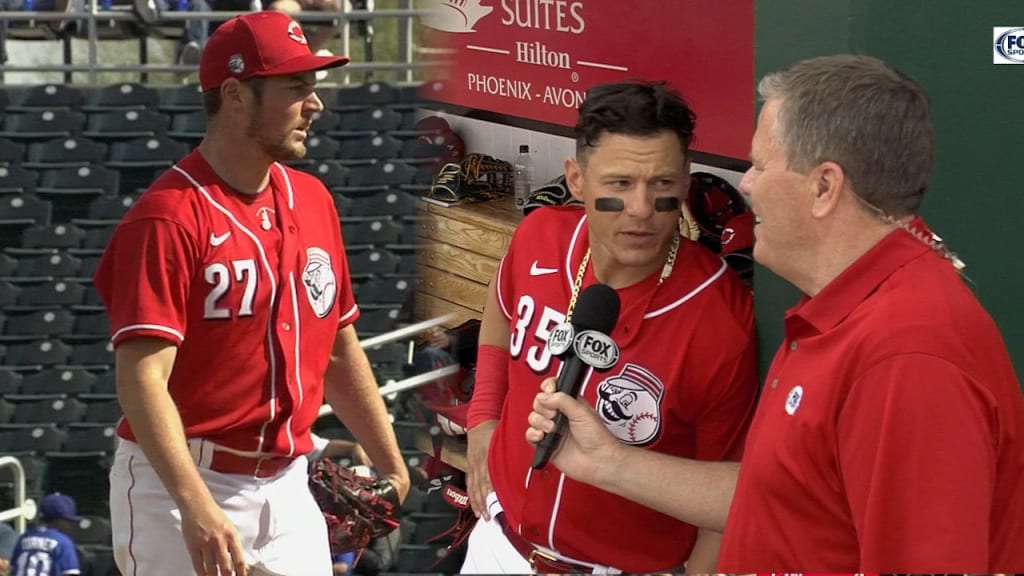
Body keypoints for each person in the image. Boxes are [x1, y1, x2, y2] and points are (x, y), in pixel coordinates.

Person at [526, 54, 1024, 572]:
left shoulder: (907, 357)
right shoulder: (845, 307)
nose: (746, 184)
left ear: (824, 187)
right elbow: (784, 493)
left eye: (761, 164)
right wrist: (608, 462)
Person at [94, 11, 410, 576]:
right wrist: (195, 504)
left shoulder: (313, 201)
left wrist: (392, 461)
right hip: (183, 480)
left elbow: (338, 343)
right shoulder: (166, 219)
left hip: (289, 481)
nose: (314, 104)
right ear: (236, 95)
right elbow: (141, 381)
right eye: (296, 87)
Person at [462, 81, 759, 573]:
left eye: (662, 184)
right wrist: (482, 421)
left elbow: (724, 500)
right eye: (619, 184)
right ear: (577, 179)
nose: (641, 208)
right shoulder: (541, 235)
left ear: (686, 182)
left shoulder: (722, 316)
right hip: (500, 543)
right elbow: (498, 319)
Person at [8, 493, 81, 576]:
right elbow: (70, 573)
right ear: (59, 520)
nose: (70, 525)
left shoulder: (24, 537)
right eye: (68, 521)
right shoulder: (63, 542)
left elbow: (12, 569)